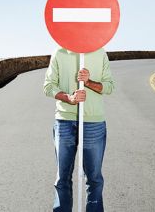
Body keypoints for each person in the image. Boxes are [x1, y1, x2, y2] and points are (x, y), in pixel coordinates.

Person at [43, 47, 115, 212]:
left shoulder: (100, 52)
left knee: (94, 179)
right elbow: (48, 86)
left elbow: (109, 86)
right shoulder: (59, 53)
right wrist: (69, 98)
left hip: (93, 123)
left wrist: (88, 82)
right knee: (62, 178)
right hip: (64, 121)